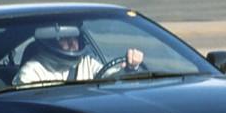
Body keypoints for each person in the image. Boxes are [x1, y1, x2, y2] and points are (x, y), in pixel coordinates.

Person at [13, 24, 143, 86]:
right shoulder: (31, 72)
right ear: (50, 42)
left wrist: (130, 68)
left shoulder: (86, 63)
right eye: (64, 39)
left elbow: (111, 76)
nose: (72, 43)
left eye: (74, 37)